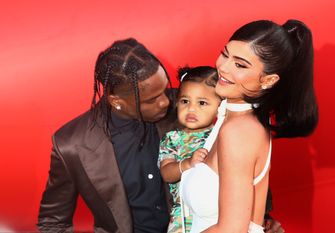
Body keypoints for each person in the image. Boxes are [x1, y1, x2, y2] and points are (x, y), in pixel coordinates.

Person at [37, 37, 285, 233]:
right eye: (152, 99)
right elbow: (52, 221)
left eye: (165, 88)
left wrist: (260, 217)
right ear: (117, 101)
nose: (168, 101)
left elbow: (239, 156)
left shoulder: (191, 105)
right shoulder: (71, 144)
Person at [181, 19, 318, 233]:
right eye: (225, 54)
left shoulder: (239, 132)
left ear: (268, 80)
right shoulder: (231, 113)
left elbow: (231, 230)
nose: (223, 67)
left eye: (240, 65)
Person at [158, 66, 221, 233]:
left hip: (219, 212)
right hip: (184, 216)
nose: (191, 109)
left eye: (202, 103)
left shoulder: (222, 135)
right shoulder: (172, 138)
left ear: (220, 106)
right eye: (185, 101)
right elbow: (166, 173)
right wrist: (187, 163)